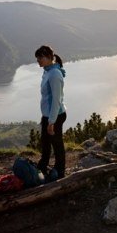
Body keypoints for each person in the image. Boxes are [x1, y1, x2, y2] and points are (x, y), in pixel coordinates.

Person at [35, 45, 67, 178]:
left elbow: (56, 100)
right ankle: (43, 166)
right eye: (37, 59)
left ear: (48, 57)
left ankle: (60, 171)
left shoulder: (55, 74)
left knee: (57, 144)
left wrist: (51, 122)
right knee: (46, 142)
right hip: (48, 115)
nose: (38, 61)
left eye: (40, 58)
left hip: (56, 116)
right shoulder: (47, 71)